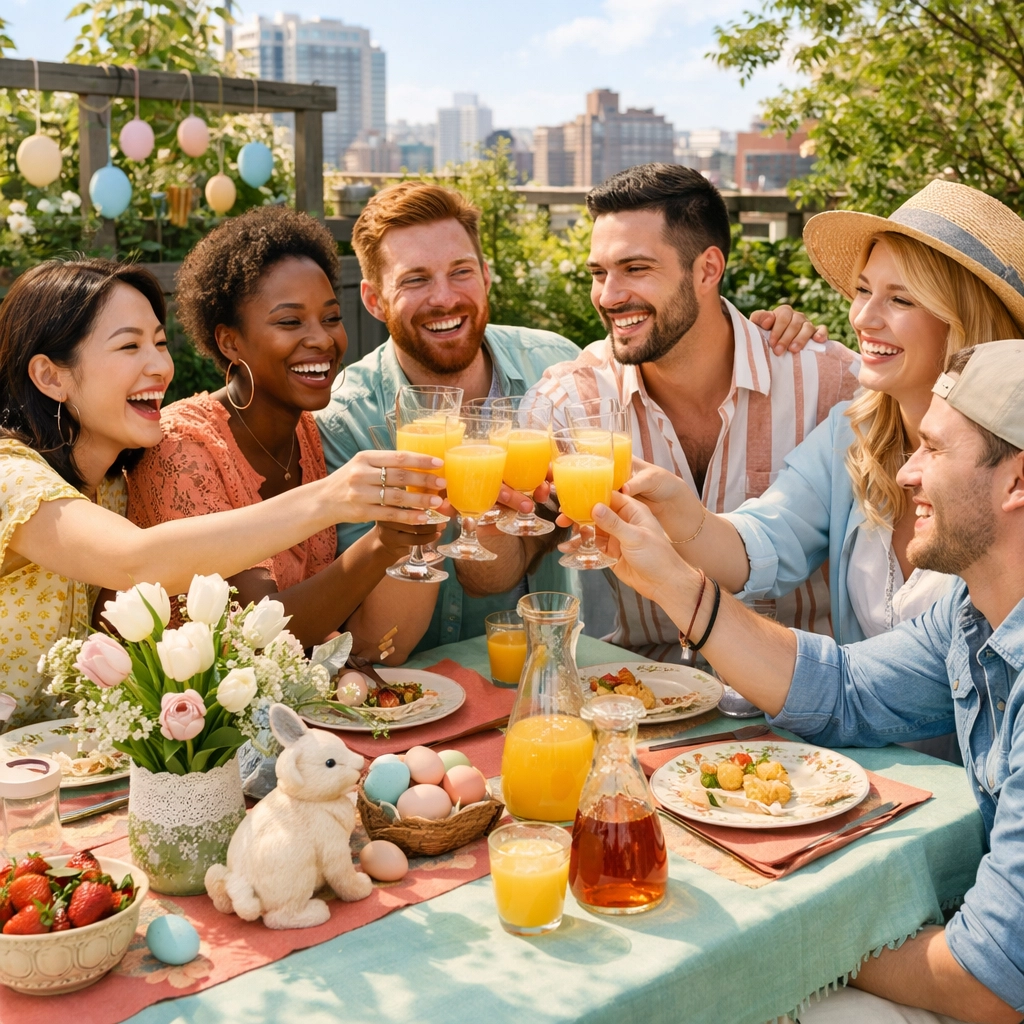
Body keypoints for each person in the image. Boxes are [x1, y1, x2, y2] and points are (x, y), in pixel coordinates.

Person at [592, 338, 1024, 1024]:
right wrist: (674, 583)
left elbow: (990, 984)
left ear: (1015, 483)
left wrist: (798, 933)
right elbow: (843, 689)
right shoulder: (971, 616)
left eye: (935, 451)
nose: (906, 473)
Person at [315, 180, 824, 661]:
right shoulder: (346, 420)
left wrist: (763, 338)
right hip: (429, 681)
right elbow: (376, 640)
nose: (445, 297)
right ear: (374, 301)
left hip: (569, 663)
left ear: (486, 275)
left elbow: (680, 338)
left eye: (461, 271)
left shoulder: (556, 373)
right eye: (416, 280)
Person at [0, 258, 441, 727]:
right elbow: (135, 562)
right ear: (51, 377)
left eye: (160, 343)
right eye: (129, 345)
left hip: (67, 766)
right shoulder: (11, 476)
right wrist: (332, 496)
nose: (160, 366)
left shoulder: (109, 486)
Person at [619, 180, 1023, 654]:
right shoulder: (854, 432)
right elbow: (762, 542)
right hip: (859, 720)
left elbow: (863, 687)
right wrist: (672, 506)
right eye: (863, 290)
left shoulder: (1000, 467)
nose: (863, 318)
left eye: (901, 299)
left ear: (964, 322)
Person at [530, 163, 860, 660]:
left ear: (707, 269)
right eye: (599, 272)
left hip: (801, 698)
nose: (609, 295)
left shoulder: (829, 384)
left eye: (635, 269)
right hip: (647, 698)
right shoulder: (568, 401)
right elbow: (490, 565)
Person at [126, 207, 438, 648]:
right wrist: (384, 542)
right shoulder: (182, 447)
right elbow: (259, 636)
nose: (323, 340)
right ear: (229, 341)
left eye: (331, 318)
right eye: (290, 322)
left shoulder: (307, 433)